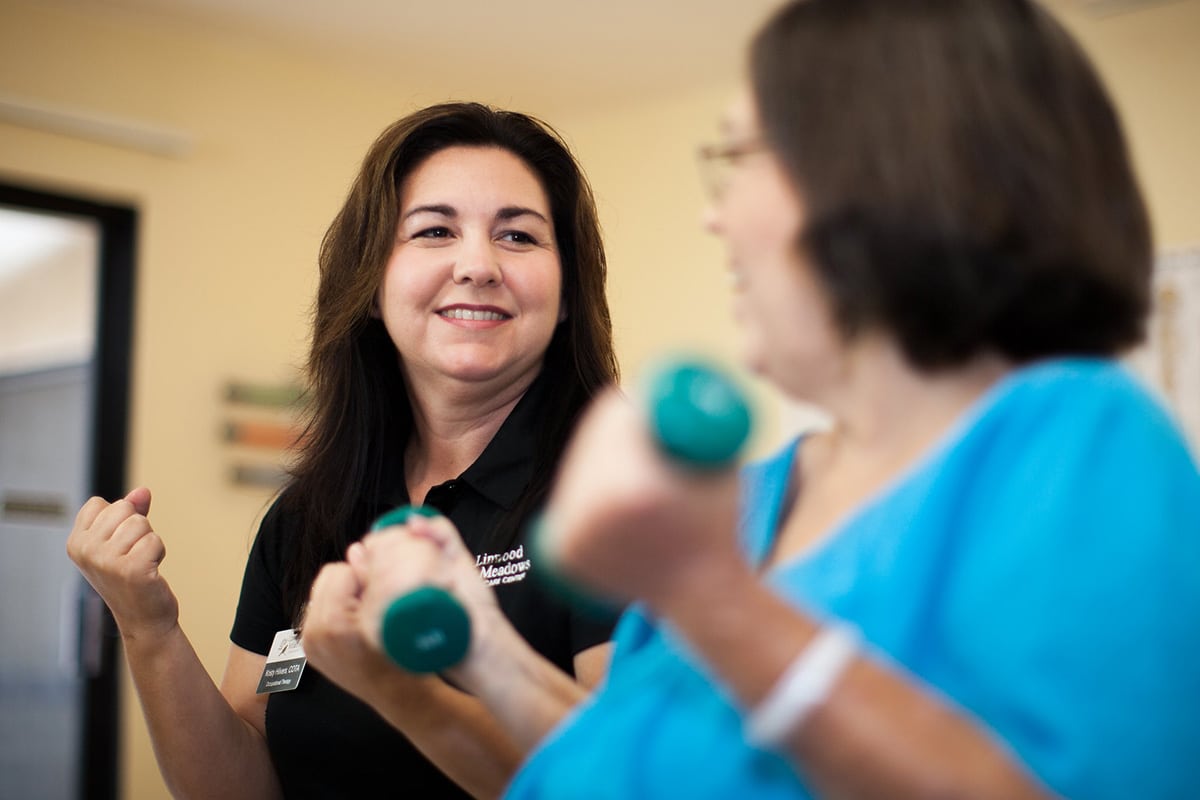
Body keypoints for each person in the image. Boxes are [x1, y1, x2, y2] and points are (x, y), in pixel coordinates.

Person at [305, 1, 1200, 798]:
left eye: (741, 159)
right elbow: (624, 773)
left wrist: (709, 595)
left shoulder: (1078, 440)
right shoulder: (757, 496)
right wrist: (473, 653)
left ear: (884, 174)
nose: (715, 216)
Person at [65, 102, 620, 799]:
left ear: (567, 293)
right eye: (435, 230)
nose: (477, 264)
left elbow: (630, 778)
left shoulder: (620, 506)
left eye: (518, 236)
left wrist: (400, 690)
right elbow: (243, 786)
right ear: (373, 287)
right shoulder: (307, 519)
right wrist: (147, 626)